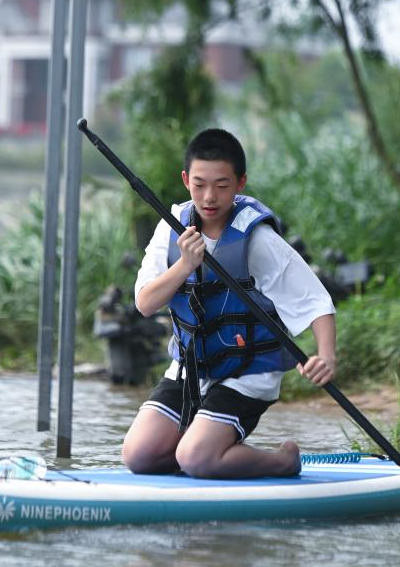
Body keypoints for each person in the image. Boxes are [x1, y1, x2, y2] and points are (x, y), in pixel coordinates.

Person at [123, 128, 337, 479]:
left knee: (196, 459)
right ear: (185, 180)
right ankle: (204, 448)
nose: (209, 197)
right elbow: (145, 303)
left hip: (247, 371)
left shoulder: (257, 239)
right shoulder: (171, 228)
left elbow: (315, 301)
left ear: (240, 183)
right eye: (199, 184)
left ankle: (280, 462)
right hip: (193, 368)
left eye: (222, 186)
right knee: (139, 456)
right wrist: (184, 265)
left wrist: (325, 356)